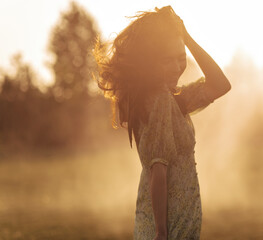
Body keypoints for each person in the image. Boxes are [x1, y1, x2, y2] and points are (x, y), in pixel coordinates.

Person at [92, 5, 231, 240]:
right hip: (169, 223)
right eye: (168, 60)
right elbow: (158, 168)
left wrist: (186, 37)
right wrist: (161, 232)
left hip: (180, 217)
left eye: (181, 58)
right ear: (151, 63)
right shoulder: (158, 101)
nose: (177, 67)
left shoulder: (174, 99)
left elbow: (220, 85)